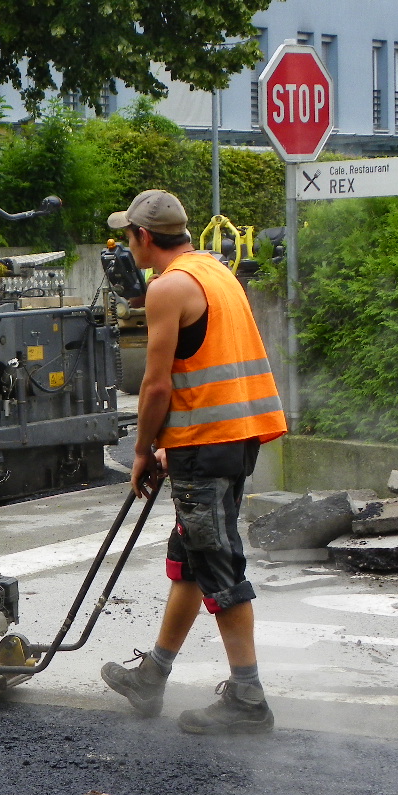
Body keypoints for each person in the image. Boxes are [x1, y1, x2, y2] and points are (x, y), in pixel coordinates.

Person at [99, 190, 287, 735]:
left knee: (219, 566)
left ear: (143, 236)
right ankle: (153, 676)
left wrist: (141, 449)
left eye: (128, 235)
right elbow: (206, 369)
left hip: (207, 448)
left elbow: (156, 385)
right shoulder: (216, 271)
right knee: (191, 558)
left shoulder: (167, 287)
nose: (126, 245)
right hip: (228, 438)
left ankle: (248, 699)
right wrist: (171, 443)